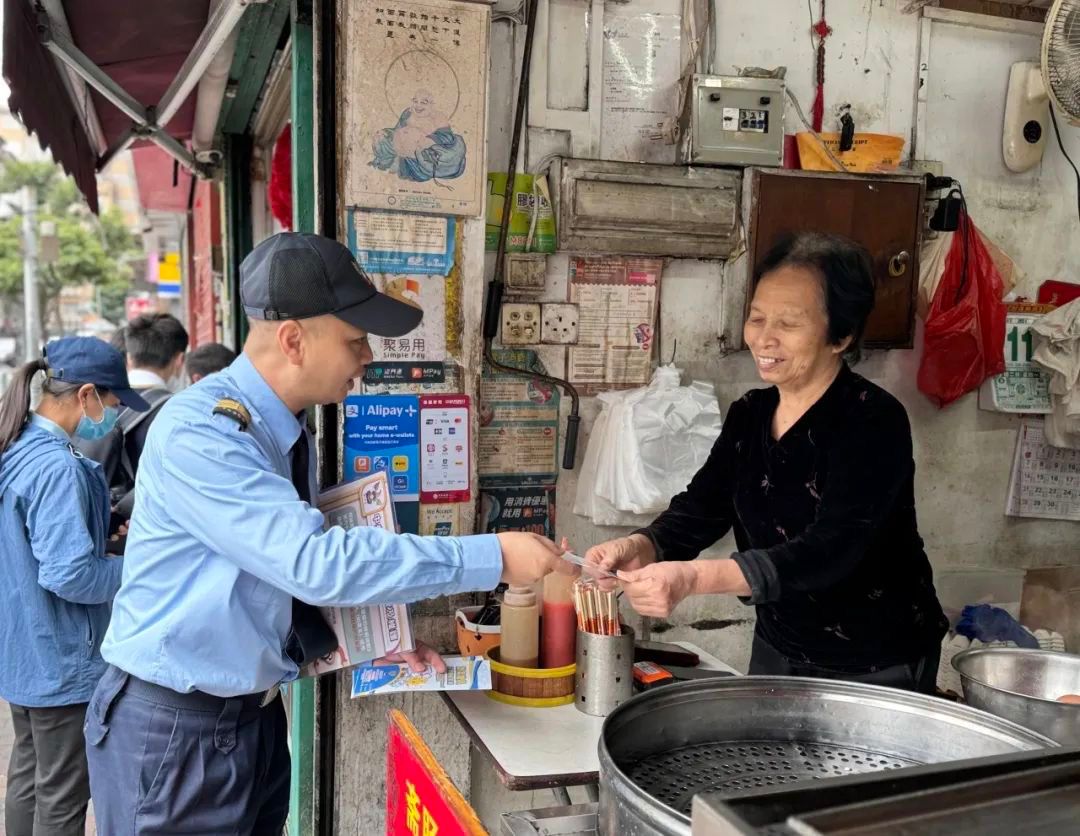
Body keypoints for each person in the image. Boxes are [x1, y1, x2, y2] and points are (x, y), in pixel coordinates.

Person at [85, 232, 572, 834]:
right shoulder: (203, 434)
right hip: (178, 734)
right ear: (293, 340)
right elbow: (314, 563)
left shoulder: (284, 432)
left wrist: (370, 638)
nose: (367, 357)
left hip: (250, 720)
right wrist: (493, 554)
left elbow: (268, 580)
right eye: (354, 340)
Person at [588, 232, 948, 693]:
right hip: (780, 643)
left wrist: (693, 578)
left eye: (789, 323)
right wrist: (644, 545)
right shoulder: (751, 414)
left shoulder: (872, 419)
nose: (764, 337)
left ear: (841, 336)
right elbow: (701, 509)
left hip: (876, 659)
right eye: (756, 318)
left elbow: (831, 549)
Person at [0, 337, 148, 836]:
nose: (113, 415)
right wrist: (137, 568)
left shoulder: (15, 447)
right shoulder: (57, 467)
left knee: (29, 778)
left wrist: (98, 534)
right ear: (86, 395)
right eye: (113, 402)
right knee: (63, 796)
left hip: (25, 650)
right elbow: (69, 575)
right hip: (63, 657)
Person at [73, 313, 189, 520]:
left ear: (128, 358)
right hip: (156, 526)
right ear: (179, 360)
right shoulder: (182, 414)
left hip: (99, 525)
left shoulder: (88, 404)